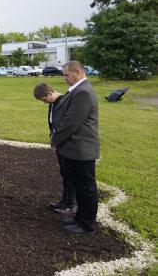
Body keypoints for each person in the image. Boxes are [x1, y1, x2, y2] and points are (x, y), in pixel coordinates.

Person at [50, 61, 99, 234]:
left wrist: (55, 139)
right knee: (80, 186)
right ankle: (80, 218)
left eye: (66, 75)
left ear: (77, 72)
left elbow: (71, 122)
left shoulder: (83, 92)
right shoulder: (78, 90)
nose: (64, 78)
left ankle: (87, 223)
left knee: (86, 187)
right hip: (75, 148)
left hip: (81, 149)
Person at [33, 83, 76, 215]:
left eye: (45, 100)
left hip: (67, 145)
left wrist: (58, 139)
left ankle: (69, 204)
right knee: (64, 173)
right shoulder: (53, 104)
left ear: (50, 94)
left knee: (70, 175)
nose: (45, 103)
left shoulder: (64, 103)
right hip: (59, 145)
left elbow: (68, 125)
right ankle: (64, 201)